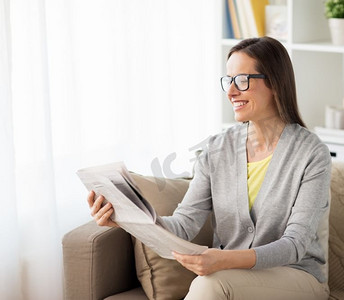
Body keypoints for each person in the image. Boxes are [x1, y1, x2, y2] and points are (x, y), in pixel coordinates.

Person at [88, 36, 331, 299]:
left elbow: (294, 245)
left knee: (211, 284)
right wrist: (126, 218)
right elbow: (183, 225)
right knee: (212, 283)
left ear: (274, 82)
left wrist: (225, 261)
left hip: (295, 276)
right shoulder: (217, 149)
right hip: (232, 278)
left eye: (241, 80)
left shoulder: (311, 153)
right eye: (228, 80)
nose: (231, 91)